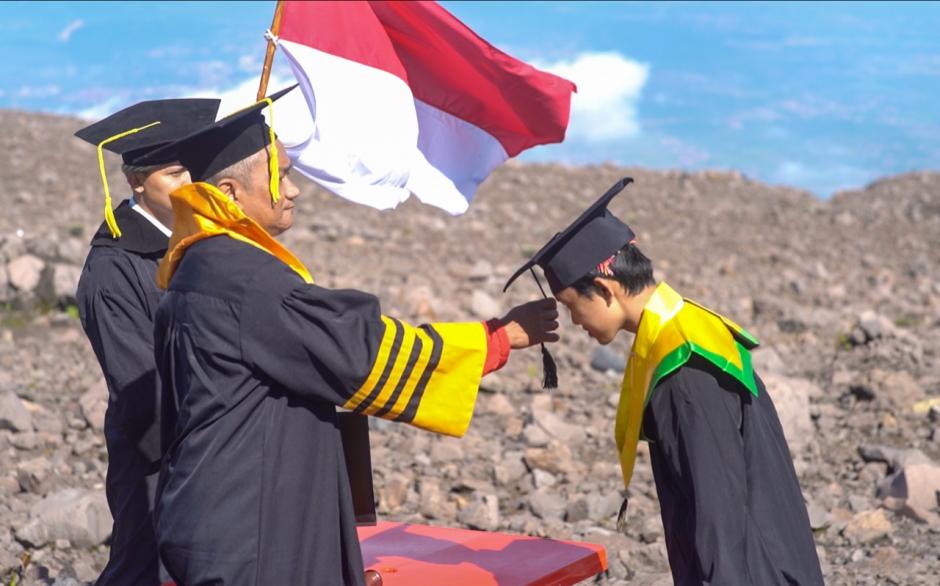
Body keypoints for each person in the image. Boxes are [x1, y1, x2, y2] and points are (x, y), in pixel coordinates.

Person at [135, 87, 559, 585]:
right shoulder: (244, 278)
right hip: (249, 526)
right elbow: (357, 351)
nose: (291, 191)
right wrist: (496, 339)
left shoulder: (196, 266)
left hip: (215, 510)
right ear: (228, 193)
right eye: (280, 176)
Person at [504, 178, 824, 585]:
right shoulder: (688, 326)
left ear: (604, 289)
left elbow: (718, 511)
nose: (575, 322)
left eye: (573, 306)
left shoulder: (685, 371)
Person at [73, 98, 221, 585]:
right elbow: (143, 388)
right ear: (137, 181)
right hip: (157, 458)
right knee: (144, 570)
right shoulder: (111, 271)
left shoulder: (206, 240)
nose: (190, 186)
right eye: (175, 174)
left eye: (194, 172)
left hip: (215, 444)